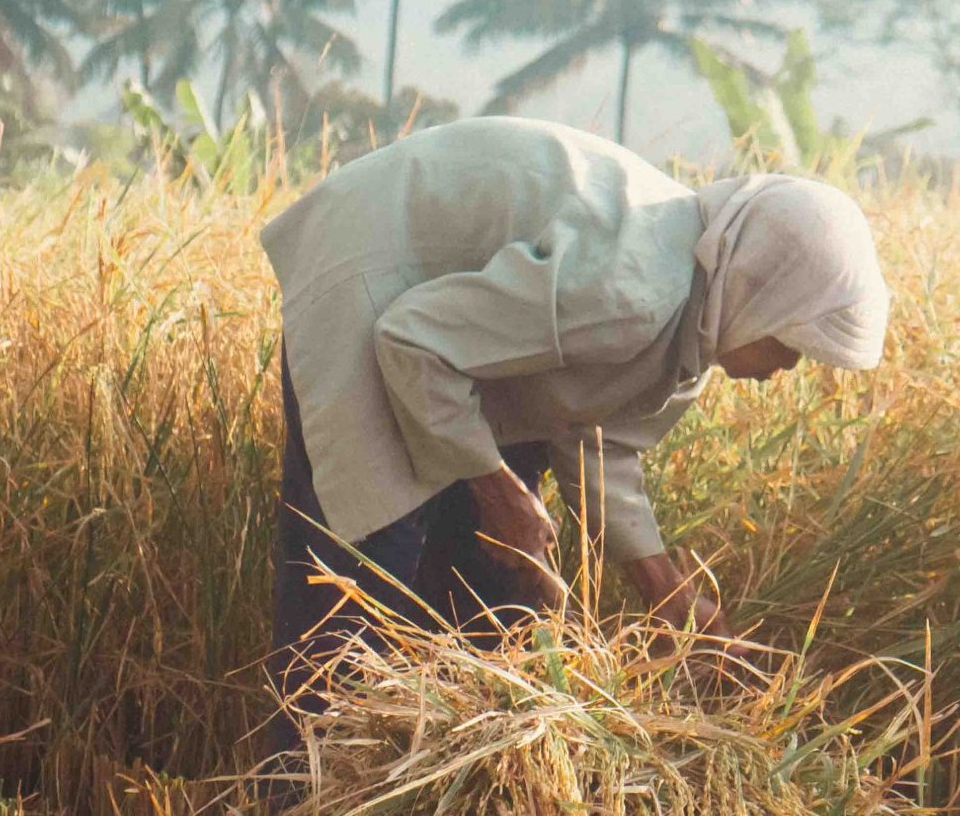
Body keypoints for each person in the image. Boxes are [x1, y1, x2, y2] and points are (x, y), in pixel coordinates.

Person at [254, 116, 891, 775]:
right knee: (360, 608)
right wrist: (496, 487)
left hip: (458, 355)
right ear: (759, 286)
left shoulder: (689, 320)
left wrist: (669, 594)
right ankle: (305, 791)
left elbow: (597, 441)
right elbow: (411, 341)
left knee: (494, 610)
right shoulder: (635, 287)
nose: (788, 366)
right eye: (791, 341)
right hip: (375, 279)